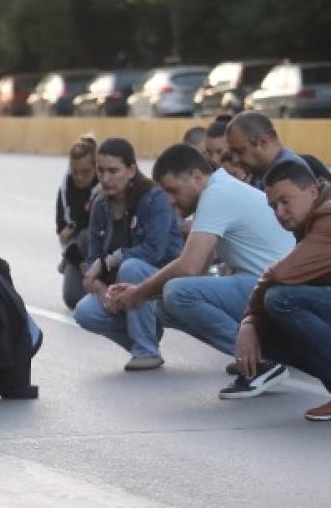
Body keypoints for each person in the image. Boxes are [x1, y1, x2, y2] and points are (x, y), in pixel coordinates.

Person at [106, 145, 295, 397]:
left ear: (197, 177)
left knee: (176, 293)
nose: (170, 200)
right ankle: (253, 356)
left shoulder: (216, 194)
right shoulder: (220, 190)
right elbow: (200, 267)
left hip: (282, 293)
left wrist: (139, 293)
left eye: (173, 190)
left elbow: (189, 267)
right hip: (270, 290)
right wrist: (144, 292)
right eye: (165, 193)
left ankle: (259, 363)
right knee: (166, 305)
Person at [69, 139, 185, 371]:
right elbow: (93, 258)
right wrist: (103, 292)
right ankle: (145, 336)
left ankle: (146, 350)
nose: (105, 179)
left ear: (131, 170)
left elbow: (154, 251)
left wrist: (112, 259)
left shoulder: (154, 198)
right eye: (100, 171)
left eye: (113, 171)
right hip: (122, 286)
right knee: (84, 312)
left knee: (131, 267)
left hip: (162, 279)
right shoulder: (100, 204)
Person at [235, 161, 331, 422]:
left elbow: (280, 274)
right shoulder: (312, 216)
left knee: (282, 300)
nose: (279, 211)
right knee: (268, 330)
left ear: (312, 191)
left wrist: (248, 320)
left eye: (286, 201)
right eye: (273, 206)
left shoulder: (327, 217)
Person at [225, 112, 331, 193]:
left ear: (263, 142)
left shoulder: (289, 177)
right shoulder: (259, 174)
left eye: (240, 151)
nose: (235, 159)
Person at [58, 135, 100, 309]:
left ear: (95, 168)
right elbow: (63, 235)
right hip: (80, 252)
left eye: (85, 172)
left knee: (85, 234)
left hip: (104, 249)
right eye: (75, 172)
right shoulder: (66, 188)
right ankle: (73, 266)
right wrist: (82, 266)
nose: (79, 178)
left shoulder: (105, 185)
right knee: (72, 298)